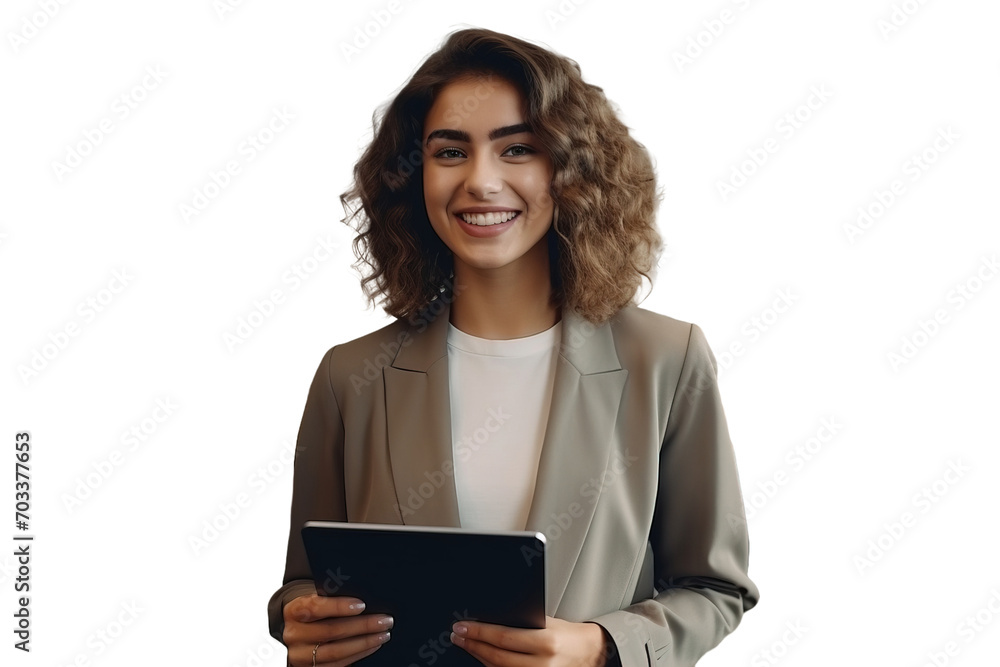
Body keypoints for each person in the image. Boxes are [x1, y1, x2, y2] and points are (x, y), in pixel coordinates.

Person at [268, 27, 758, 667]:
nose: (480, 181)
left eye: (517, 149)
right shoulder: (351, 376)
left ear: (571, 170)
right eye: (449, 152)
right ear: (412, 176)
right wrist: (298, 622)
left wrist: (599, 646)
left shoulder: (667, 359)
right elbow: (303, 585)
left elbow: (716, 587)